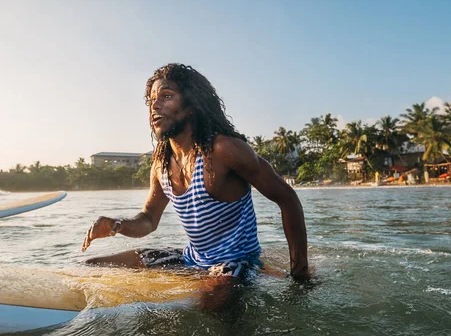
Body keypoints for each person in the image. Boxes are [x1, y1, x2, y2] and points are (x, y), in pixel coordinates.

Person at [81, 63, 309, 286]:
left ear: (191, 105)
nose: (155, 106)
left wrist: (300, 276)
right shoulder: (161, 163)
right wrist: (117, 225)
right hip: (191, 259)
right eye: (151, 101)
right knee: (93, 265)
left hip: (236, 263)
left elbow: (287, 198)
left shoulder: (224, 150)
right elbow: (149, 220)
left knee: (212, 302)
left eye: (166, 96)